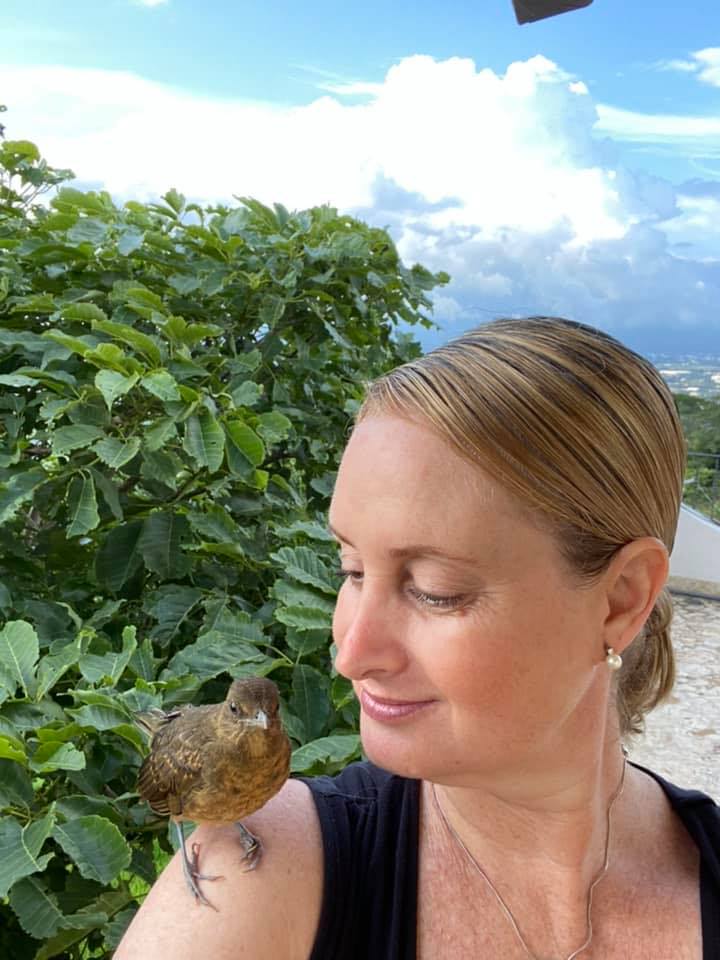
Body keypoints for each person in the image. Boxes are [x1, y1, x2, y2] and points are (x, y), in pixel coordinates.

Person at [115, 317, 720, 959]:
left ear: (620, 599)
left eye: (435, 590)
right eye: (351, 570)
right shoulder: (253, 892)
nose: (351, 655)